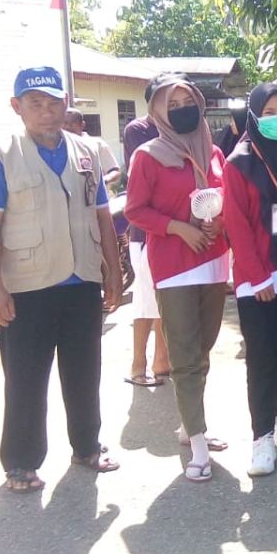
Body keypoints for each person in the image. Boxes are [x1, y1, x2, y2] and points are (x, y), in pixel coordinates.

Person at [0, 66, 122, 493]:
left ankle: (87, 446)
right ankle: (21, 462)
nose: (46, 112)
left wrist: (113, 272)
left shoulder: (85, 152)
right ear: (17, 107)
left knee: (84, 371)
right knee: (25, 378)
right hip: (27, 286)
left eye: (54, 103)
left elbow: (102, 216)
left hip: (81, 283)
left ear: (65, 105)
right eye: (35, 103)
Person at [124, 74, 230, 482]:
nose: (182, 107)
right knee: (184, 355)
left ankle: (189, 424)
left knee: (203, 348)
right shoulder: (148, 155)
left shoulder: (214, 152)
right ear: (156, 111)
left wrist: (218, 223)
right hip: (173, 266)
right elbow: (135, 210)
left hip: (215, 262)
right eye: (173, 101)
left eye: (188, 99)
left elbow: (227, 200)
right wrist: (178, 228)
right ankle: (198, 443)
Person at [222, 84, 277, 476]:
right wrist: (257, 277)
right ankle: (260, 440)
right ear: (255, 116)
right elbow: (235, 226)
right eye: (268, 111)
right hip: (258, 279)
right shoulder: (237, 163)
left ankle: (274, 417)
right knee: (261, 356)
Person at [121, 76, 171, 386]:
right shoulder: (138, 131)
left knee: (166, 302)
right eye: (167, 100)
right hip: (145, 233)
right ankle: (138, 366)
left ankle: (161, 362)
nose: (173, 107)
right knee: (146, 299)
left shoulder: (185, 130)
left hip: (174, 235)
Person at [63, 108, 121, 189]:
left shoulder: (97, 145)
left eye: (73, 123)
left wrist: (101, 182)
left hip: (94, 197)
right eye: (64, 123)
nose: (67, 127)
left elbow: (115, 172)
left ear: (82, 125)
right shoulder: (57, 147)